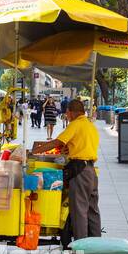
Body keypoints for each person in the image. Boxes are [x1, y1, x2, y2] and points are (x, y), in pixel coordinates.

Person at [31, 97, 101, 246]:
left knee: (79, 210)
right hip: (91, 171)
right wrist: (70, 148)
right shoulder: (90, 126)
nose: (67, 117)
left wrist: (35, 151)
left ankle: (81, 248)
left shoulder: (75, 124)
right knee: (92, 210)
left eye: (67, 114)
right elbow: (82, 145)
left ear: (70, 113)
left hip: (80, 170)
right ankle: (96, 245)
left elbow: (58, 142)